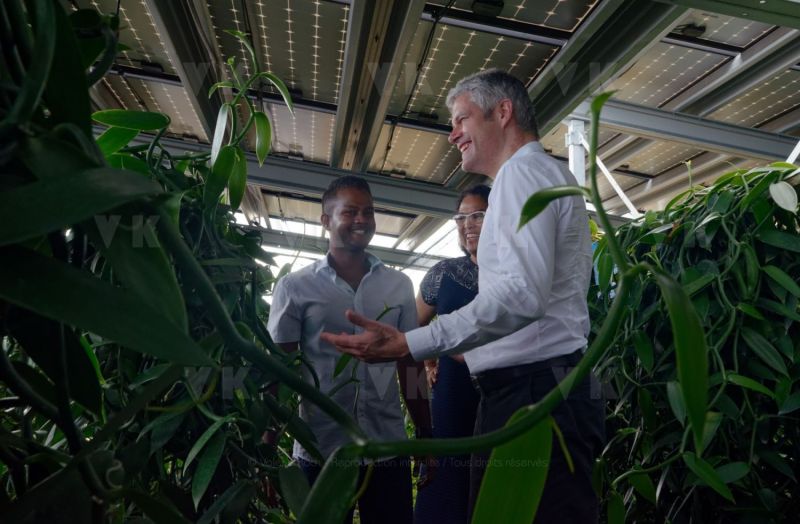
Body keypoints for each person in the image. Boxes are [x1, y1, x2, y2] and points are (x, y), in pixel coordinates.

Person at [321, 69, 604, 523]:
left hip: (532, 395)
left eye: (461, 119)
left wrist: (411, 342)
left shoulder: (521, 176)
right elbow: (537, 301)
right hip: (540, 388)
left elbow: (520, 296)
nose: (452, 135)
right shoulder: (542, 175)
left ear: (503, 112)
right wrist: (469, 349)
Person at [267, 175, 431, 524]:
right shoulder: (295, 287)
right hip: (321, 449)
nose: (362, 220)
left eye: (368, 212)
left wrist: (424, 433)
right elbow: (279, 370)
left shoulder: (398, 285)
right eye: (350, 211)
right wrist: (266, 445)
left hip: (387, 447)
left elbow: (410, 366)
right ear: (325, 220)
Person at [414, 184, 489, 524]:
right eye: (461, 217)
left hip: (500, 396)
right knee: (444, 488)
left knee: (489, 486)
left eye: (478, 216)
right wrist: (429, 362)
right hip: (450, 398)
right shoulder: (443, 273)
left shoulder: (514, 274)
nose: (468, 225)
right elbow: (413, 328)